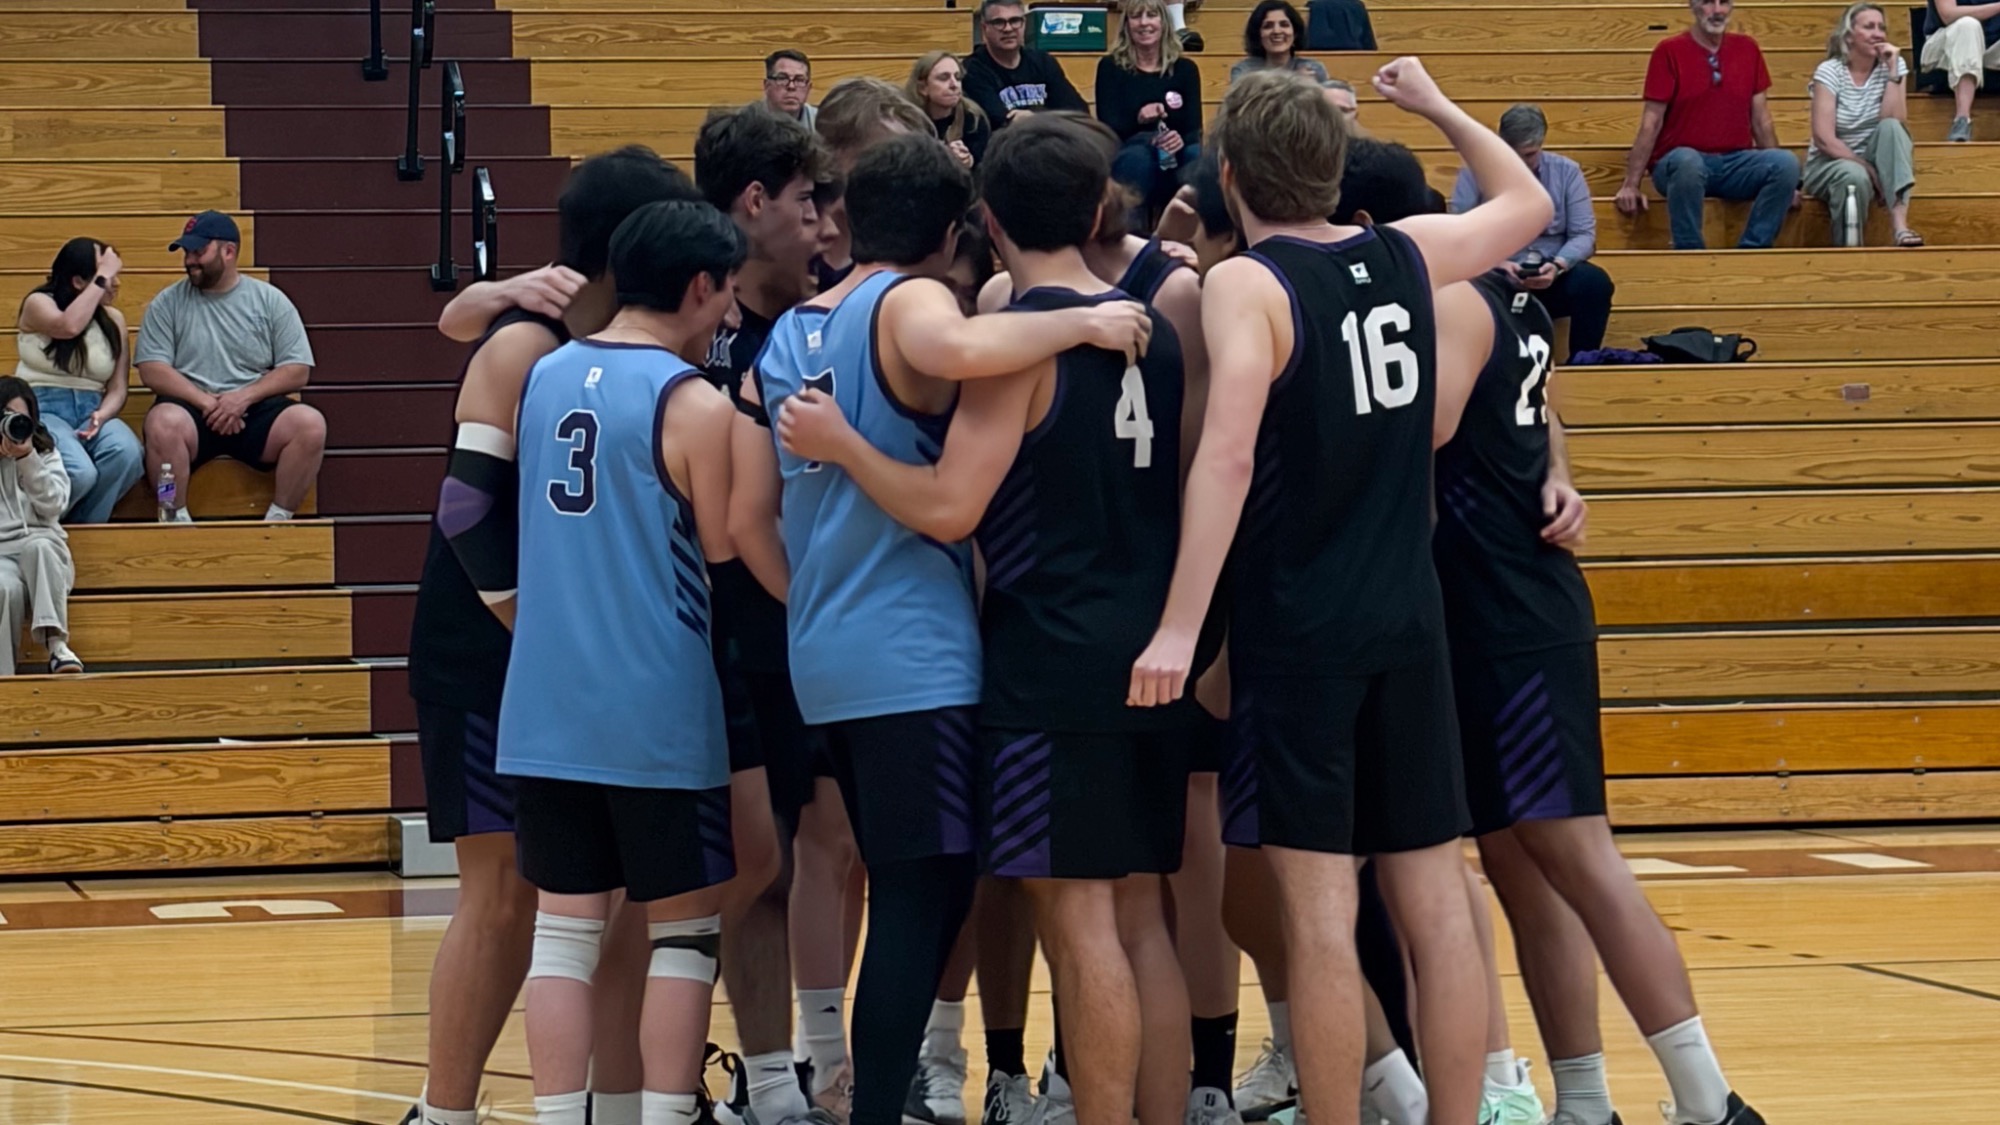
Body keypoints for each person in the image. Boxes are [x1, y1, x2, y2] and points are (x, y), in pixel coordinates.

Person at [1126, 61, 1553, 1125]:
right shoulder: (1407, 254)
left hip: (1299, 631)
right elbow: (1531, 204)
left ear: (1229, 176)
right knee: (1435, 902)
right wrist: (1440, 104)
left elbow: (1222, 461)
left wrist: (1179, 626)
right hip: (1410, 623)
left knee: (1317, 918)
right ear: (1327, 170)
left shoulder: (1245, 284)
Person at [776, 115, 1196, 1125]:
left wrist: (843, 449)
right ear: (1098, 211)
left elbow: (947, 508)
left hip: (1049, 653)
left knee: (1079, 915)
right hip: (1152, 635)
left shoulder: (1006, 351)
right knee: (1142, 917)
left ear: (990, 223)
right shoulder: (1161, 329)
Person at [1431, 217, 1769, 1125]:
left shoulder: (1453, 309)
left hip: (1513, 618)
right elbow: (1543, 411)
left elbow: (1406, 455)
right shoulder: (1515, 307)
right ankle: (1583, 1101)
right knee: (1517, 865)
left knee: (1579, 856)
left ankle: (1710, 1102)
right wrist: (1561, 473)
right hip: (1481, 617)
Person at [406, 147, 706, 1125]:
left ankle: (612, 1103)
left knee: (592, 901)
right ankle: (443, 1112)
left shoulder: (605, 344)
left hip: (564, 655)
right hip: (486, 645)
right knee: (501, 894)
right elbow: (463, 508)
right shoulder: (529, 341)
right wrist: (529, 623)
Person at [497, 198, 743, 1125]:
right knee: (683, 931)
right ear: (697, 286)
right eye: (724, 294)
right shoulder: (693, 400)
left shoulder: (545, 374)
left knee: (563, 936)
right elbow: (721, 551)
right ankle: (669, 1115)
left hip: (546, 703)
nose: (728, 314)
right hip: (656, 706)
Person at [692, 102, 842, 1125]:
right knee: (732, 861)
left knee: (799, 850)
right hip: (694, 628)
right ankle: (661, 1067)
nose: (824, 228)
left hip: (799, 623)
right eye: (806, 205)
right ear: (753, 204)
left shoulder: (833, 317)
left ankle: (789, 1077)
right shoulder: (684, 315)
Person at [136, 210, 325, 521]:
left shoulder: (270, 300)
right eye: (186, 252)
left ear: (229, 251)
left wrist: (243, 398)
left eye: (199, 251)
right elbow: (151, 368)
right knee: (162, 423)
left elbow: (297, 369)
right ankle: (170, 512)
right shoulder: (167, 303)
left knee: (310, 424)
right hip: (191, 410)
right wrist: (208, 403)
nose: (189, 261)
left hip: (254, 411)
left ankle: (281, 518)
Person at [1612, 0, 1801, 250]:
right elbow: (1651, 122)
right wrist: (1631, 183)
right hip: (1679, 165)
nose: (1717, 11)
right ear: (1692, 6)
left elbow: (1761, 120)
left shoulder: (1748, 49)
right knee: (1687, 161)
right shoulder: (1669, 50)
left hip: (1735, 162)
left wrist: (1787, 185)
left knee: (1786, 163)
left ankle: (1754, 249)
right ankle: (1689, 251)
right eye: (1708, 3)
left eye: (1723, 3)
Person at [1451, 105, 1617, 359]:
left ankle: (1584, 362)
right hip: (1494, 273)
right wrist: (1498, 264)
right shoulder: (1475, 173)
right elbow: (1459, 233)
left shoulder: (1566, 171)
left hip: (1553, 273)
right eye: (1513, 155)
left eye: (1529, 155)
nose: (1522, 165)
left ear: (1541, 144)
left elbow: (1583, 234)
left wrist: (1558, 265)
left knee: (1595, 283)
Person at [13, 238, 144, 524]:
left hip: (92, 408)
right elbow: (68, 327)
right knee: (81, 473)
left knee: (127, 452)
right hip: (43, 407)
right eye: (108, 277)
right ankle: (32, 524)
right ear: (79, 281)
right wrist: (101, 279)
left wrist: (103, 414)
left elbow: (118, 387)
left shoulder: (114, 319)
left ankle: (83, 527)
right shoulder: (38, 303)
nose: (116, 284)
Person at [1808, 3, 1921, 246]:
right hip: (1829, 162)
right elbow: (1823, 138)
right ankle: (1849, 253)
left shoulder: (1894, 66)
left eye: (1881, 27)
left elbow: (1895, 120)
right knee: (1854, 175)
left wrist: (1893, 71)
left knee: (1891, 128)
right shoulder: (1830, 71)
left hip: (1877, 158)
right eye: (1869, 27)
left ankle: (1900, 226)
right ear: (1849, 35)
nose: (1878, 33)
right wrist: (1866, 169)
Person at [1096, 0, 1204, 217]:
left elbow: (1194, 129)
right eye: (1136, 16)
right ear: (1126, 25)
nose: (1144, 23)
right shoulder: (1110, 67)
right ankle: (1129, 240)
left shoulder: (1185, 69)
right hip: (1132, 153)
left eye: (1151, 15)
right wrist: (1140, 119)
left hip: (1177, 154)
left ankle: (1202, 238)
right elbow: (1108, 125)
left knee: (1199, 155)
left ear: (1164, 22)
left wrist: (1179, 140)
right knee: (1138, 158)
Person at [0, 376, 78, 675]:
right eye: (5, 416)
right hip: (2, 555)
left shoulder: (44, 451)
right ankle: (4, 677)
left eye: (21, 418)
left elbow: (55, 505)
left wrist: (27, 459)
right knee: (3, 587)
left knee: (39, 547)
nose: (13, 425)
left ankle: (58, 646)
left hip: (46, 551)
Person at [964, 0, 1090, 129]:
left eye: (1015, 21)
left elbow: (1078, 111)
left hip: (1051, 141)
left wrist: (1034, 118)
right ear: (985, 28)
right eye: (999, 22)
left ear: (1024, 24)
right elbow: (999, 120)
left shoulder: (1043, 61)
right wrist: (1050, 117)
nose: (1008, 29)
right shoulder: (973, 69)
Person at [1920, 0, 2000, 140]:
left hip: (1990, 49)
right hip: (1945, 47)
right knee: (1968, 25)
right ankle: (1962, 120)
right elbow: (1948, 14)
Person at [907, 51, 993, 169]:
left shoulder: (973, 118)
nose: (954, 85)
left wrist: (968, 161)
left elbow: (983, 167)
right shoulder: (905, 120)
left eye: (958, 77)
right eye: (944, 78)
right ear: (923, 88)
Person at [1230, 2, 1329, 85]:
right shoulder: (1244, 71)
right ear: (1257, 34)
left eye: (1284, 25)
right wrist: (1296, 83)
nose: (1277, 31)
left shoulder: (1313, 68)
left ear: (1295, 33)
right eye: (1268, 26)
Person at [765, 50, 819, 131]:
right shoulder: (747, 124)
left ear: (808, 88)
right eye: (782, 78)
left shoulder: (822, 123)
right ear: (767, 86)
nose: (791, 86)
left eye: (799, 80)